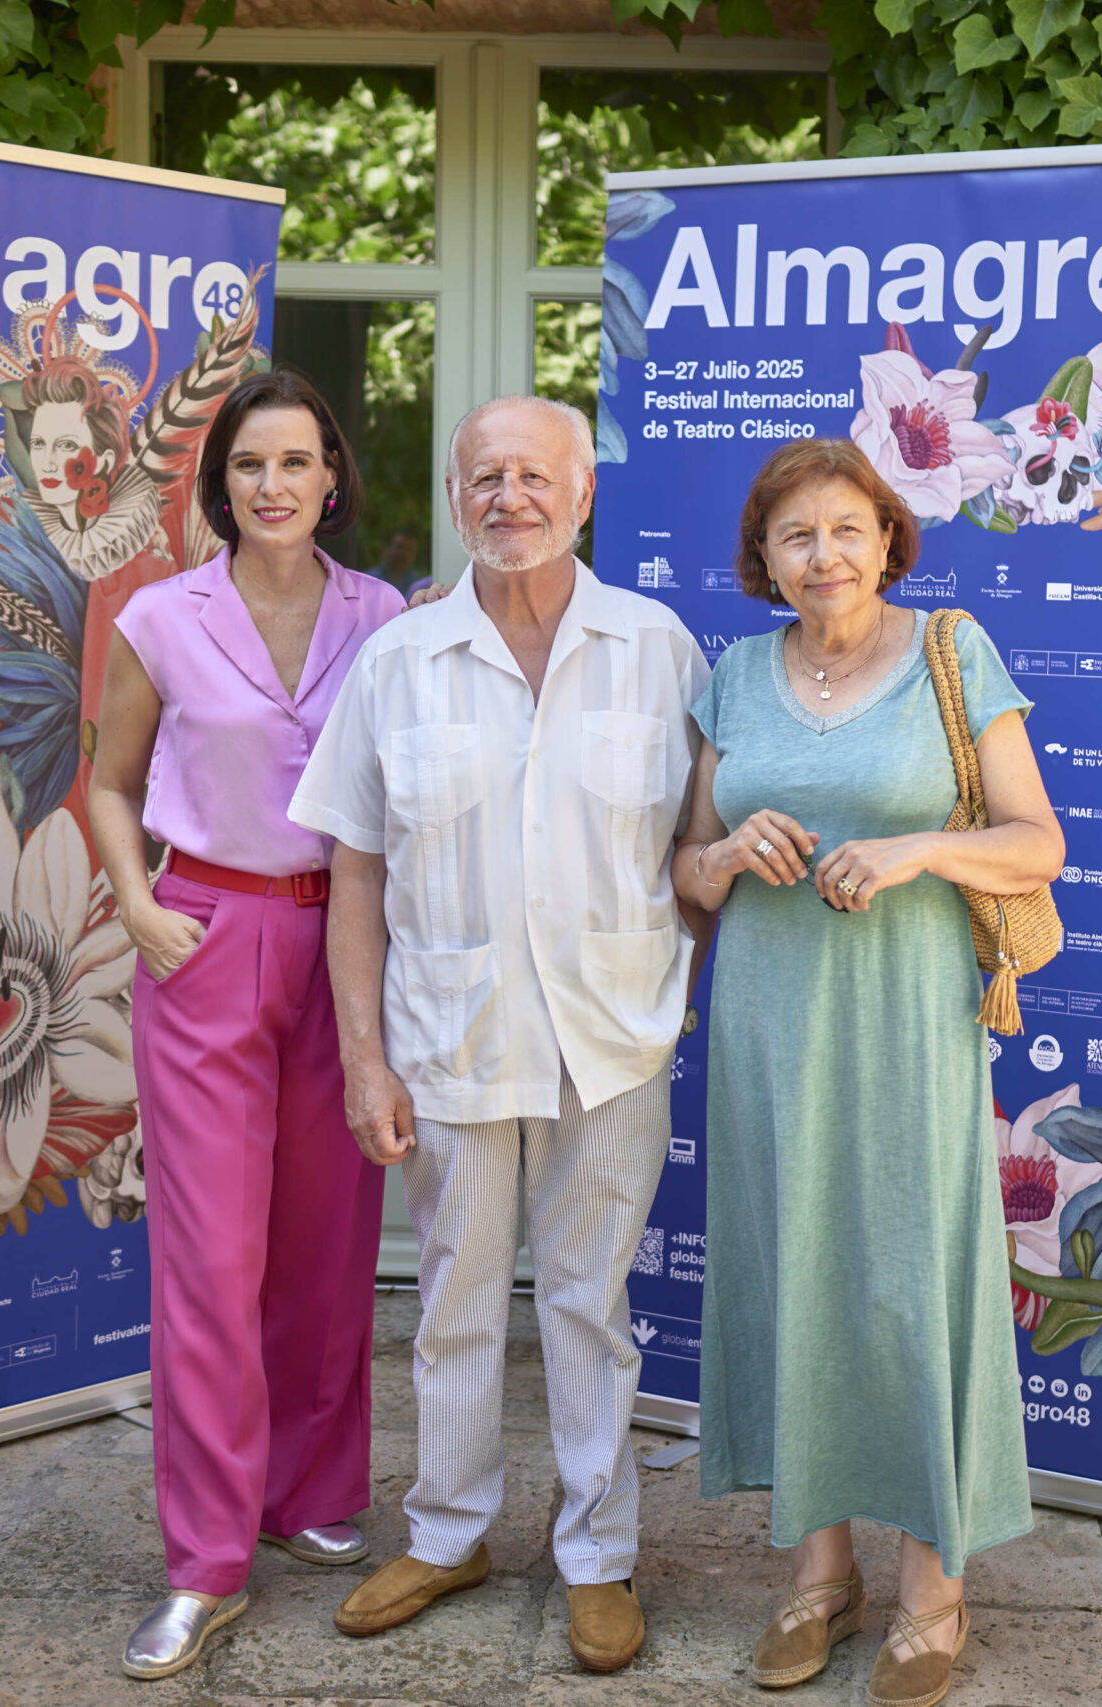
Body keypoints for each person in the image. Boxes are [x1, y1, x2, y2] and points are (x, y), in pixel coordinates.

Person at [290, 395, 708, 1675]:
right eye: (486, 477)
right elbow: (354, 872)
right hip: (451, 1040)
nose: (509, 497)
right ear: (458, 497)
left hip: (613, 1039)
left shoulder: (659, 648)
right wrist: (364, 1058)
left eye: (536, 475)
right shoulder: (398, 661)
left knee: (590, 1307)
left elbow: (698, 851)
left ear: (582, 496)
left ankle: (597, 1556)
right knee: (453, 1305)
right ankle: (450, 1529)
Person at [669, 438, 1062, 1707]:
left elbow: (1035, 842)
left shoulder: (953, 652)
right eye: (796, 536)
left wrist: (914, 855)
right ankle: (817, 1573)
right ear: (764, 560)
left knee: (912, 1289)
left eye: (846, 529)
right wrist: (729, 850)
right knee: (793, 1281)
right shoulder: (732, 676)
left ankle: (932, 1585)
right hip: (769, 1029)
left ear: (887, 538)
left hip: (908, 1024)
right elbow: (685, 871)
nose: (822, 554)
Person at [87, 369, 405, 1681]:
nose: (274, 484)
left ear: (334, 476)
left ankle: (312, 1490)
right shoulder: (163, 616)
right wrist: (135, 902)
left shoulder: (383, 616)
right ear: (218, 480)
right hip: (206, 937)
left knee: (330, 1239)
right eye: (250, 463)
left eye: (299, 461)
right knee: (213, 1260)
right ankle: (205, 1559)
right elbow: (107, 784)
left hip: (347, 940)